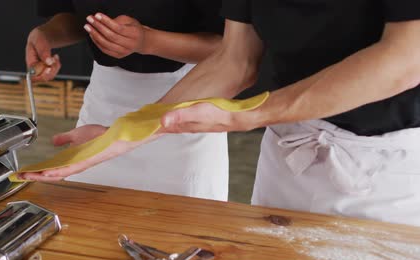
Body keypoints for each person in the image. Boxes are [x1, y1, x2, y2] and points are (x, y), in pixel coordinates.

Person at [23, 0, 420, 226]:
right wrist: (122, 133)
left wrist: (249, 114)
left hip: (382, 169)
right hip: (287, 152)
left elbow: (407, 56)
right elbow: (236, 58)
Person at [26, 1, 230, 200]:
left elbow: (232, 50)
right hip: (103, 103)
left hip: (185, 107)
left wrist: (148, 41)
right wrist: (46, 35)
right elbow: (74, 14)